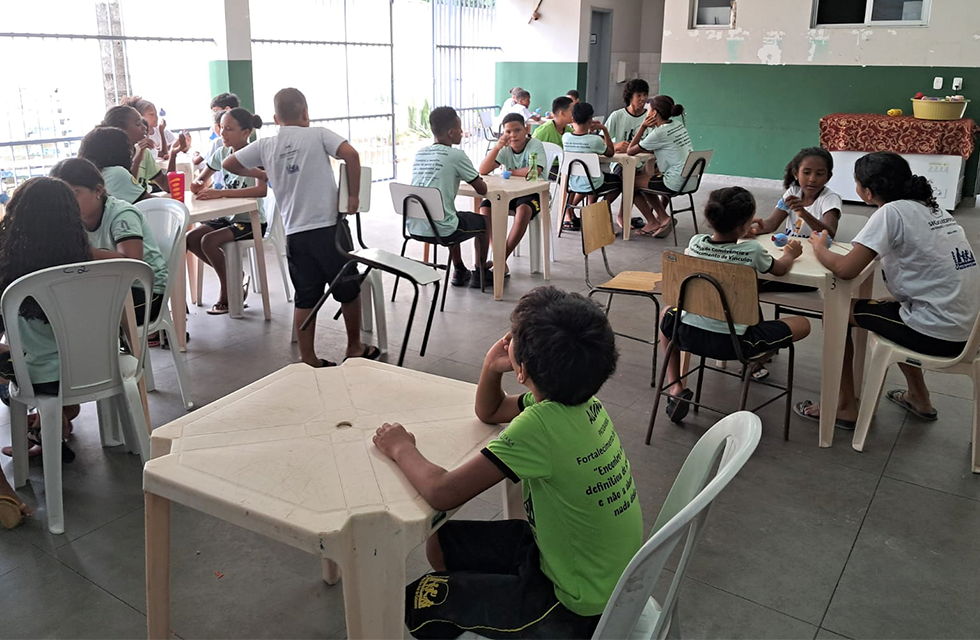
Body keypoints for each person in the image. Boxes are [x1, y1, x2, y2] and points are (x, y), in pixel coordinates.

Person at [373, 286, 643, 639]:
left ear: (525, 369)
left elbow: (442, 492)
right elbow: (491, 411)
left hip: (575, 608)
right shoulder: (581, 403)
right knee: (442, 540)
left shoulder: (541, 426)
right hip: (592, 572)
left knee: (421, 602)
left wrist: (400, 447)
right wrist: (492, 366)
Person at [796, 152, 980, 428]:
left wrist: (820, 247)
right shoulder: (932, 208)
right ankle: (919, 397)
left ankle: (843, 407)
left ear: (867, 192)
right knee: (888, 309)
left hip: (937, 333)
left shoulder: (891, 213)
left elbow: (847, 269)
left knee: (837, 312)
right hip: (969, 330)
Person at [223, 87, 379, 366]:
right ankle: (354, 346)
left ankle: (308, 357)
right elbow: (351, 155)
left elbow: (229, 163)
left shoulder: (266, 145)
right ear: (306, 113)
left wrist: (261, 172)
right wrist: (353, 196)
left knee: (305, 295)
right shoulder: (319, 134)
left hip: (296, 234)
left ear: (275, 118)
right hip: (330, 229)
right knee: (348, 287)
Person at [659, 187, 810, 422]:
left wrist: (740, 231)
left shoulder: (696, 242)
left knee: (667, 313)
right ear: (744, 225)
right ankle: (755, 363)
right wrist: (791, 253)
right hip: (736, 344)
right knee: (803, 324)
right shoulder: (752, 250)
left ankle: (675, 386)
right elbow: (779, 270)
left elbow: (723, 246)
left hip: (687, 333)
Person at [0, 178, 95, 464]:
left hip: (42, 378)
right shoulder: (90, 262)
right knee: (48, 350)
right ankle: (56, 419)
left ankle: (48, 422)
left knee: (21, 357)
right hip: (95, 367)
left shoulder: (9, 269)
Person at [50, 158, 170, 330]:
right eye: (61, 196)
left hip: (145, 292)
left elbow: (133, 264)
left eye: (74, 193)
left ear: (98, 190)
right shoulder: (71, 218)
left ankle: (106, 355)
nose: (66, 202)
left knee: (78, 319)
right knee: (54, 309)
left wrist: (83, 251)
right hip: (108, 286)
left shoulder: (121, 214)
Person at [187, 108, 268, 315]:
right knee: (190, 238)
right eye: (222, 128)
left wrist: (221, 194)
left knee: (208, 241)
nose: (223, 133)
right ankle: (234, 276)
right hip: (227, 217)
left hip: (251, 220)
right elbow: (202, 178)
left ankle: (228, 290)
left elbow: (261, 190)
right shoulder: (221, 153)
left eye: (229, 129)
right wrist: (197, 184)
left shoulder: (255, 154)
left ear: (246, 132)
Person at [408, 106, 490, 288]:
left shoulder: (420, 153)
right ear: (451, 132)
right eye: (460, 129)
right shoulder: (456, 155)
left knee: (452, 215)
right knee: (484, 222)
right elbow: (482, 189)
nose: (463, 133)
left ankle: (459, 269)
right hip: (443, 230)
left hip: (415, 226)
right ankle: (481, 271)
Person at [478, 113, 548, 275]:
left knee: (524, 210)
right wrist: (497, 147)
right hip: (509, 193)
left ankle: (499, 259)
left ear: (526, 129)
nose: (513, 135)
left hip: (533, 193)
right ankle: (500, 259)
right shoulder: (505, 149)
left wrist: (510, 171)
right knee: (485, 208)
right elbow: (483, 170)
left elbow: (534, 171)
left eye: (517, 130)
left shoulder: (535, 144)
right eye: (508, 132)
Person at [628, 94, 693, 238]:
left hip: (674, 181)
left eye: (649, 109)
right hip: (689, 178)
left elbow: (630, 151)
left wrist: (643, 126)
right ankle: (661, 217)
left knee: (629, 183)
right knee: (645, 178)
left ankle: (657, 220)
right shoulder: (678, 125)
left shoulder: (659, 132)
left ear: (654, 113)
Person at [748, 147, 842, 239]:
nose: (812, 179)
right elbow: (772, 223)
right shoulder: (793, 193)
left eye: (819, 174)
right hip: (793, 250)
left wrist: (803, 213)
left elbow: (829, 234)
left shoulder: (830, 199)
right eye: (806, 172)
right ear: (796, 174)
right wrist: (751, 229)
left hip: (817, 251)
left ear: (828, 177)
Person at [560, 101, 620, 232]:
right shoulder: (595, 140)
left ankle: (584, 211)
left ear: (572, 118)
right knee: (618, 182)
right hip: (594, 183)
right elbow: (610, 152)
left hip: (573, 184)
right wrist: (604, 129)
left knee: (590, 180)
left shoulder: (565, 138)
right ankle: (595, 211)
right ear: (591, 119)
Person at [101, 106, 187, 194]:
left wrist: (173, 153)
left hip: (144, 204)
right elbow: (128, 189)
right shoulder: (110, 159)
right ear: (120, 130)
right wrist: (139, 156)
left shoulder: (144, 152)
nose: (144, 128)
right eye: (138, 124)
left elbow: (167, 185)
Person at [78, 126, 148, 204]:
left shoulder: (94, 174)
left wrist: (137, 161)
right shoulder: (116, 173)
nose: (130, 152)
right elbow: (149, 201)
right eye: (127, 147)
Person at [193, 92, 241, 182]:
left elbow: (197, 161)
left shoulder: (218, 142)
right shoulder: (218, 139)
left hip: (221, 184)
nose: (213, 115)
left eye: (215, 111)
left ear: (227, 110)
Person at [121, 96, 174, 161]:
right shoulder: (137, 143)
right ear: (140, 117)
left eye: (156, 114)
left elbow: (162, 153)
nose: (156, 117)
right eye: (151, 114)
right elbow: (163, 153)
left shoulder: (160, 130)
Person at [532, 95, 574, 178]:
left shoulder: (568, 129)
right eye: (572, 111)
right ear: (562, 113)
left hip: (564, 166)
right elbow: (531, 151)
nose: (575, 113)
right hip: (548, 169)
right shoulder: (544, 131)